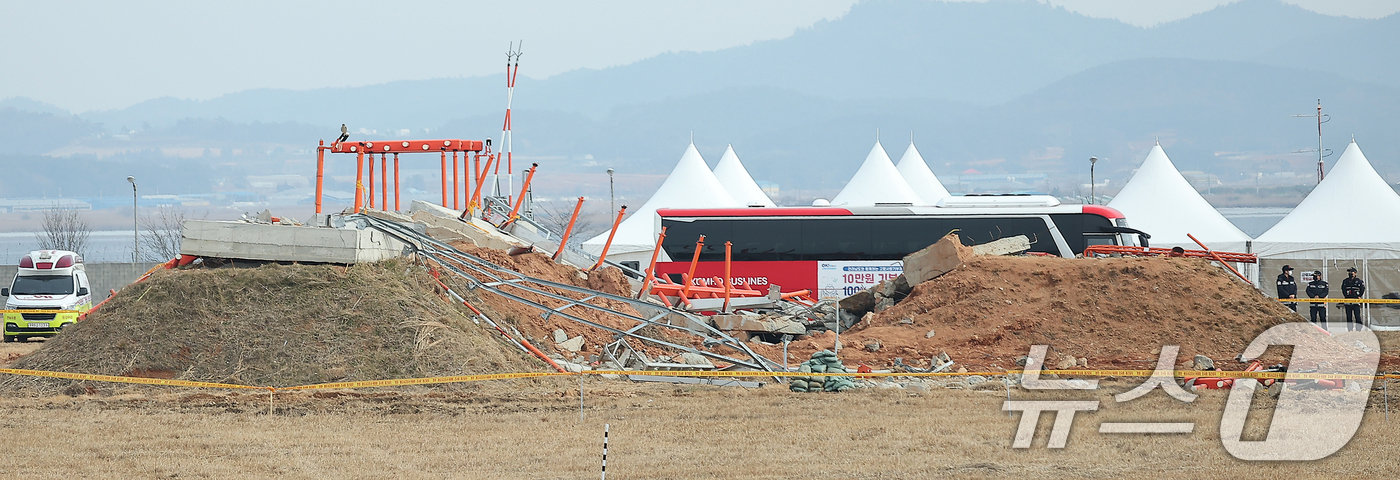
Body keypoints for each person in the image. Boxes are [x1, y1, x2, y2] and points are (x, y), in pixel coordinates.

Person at [1341, 267, 1366, 331]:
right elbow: (1343, 289)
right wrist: (1346, 296)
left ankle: (1359, 329)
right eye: (1349, 272)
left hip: (1356, 300)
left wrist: (1359, 296)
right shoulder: (1345, 281)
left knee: (1357, 315)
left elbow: (1362, 289)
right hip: (1348, 300)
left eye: (1352, 272)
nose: (1350, 273)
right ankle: (1350, 329)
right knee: (1349, 316)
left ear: (1355, 273)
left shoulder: (1359, 281)